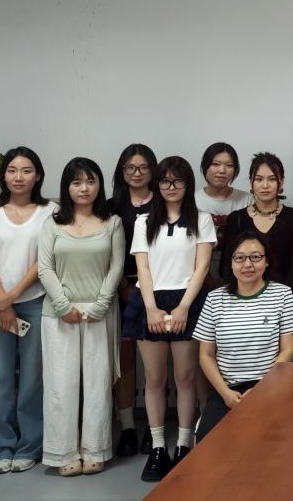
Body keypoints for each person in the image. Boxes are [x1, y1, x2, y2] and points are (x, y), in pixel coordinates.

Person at [123, 156, 215, 482]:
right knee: (154, 378)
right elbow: (143, 267)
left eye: (178, 181)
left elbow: (202, 267)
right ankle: (159, 447)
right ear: (157, 184)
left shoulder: (202, 219)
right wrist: (150, 308)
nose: (171, 187)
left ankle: (184, 444)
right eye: (165, 181)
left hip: (188, 300)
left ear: (188, 184)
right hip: (150, 300)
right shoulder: (143, 221)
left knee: (186, 377)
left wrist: (184, 307)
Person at [37, 157, 124, 477]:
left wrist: (101, 304)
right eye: (76, 182)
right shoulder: (52, 222)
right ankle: (63, 453)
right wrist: (63, 306)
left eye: (90, 181)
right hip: (59, 315)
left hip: (100, 313)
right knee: (60, 385)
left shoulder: (112, 222)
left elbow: (116, 266)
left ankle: (95, 450)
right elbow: (44, 268)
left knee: (98, 384)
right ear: (67, 187)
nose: (84, 188)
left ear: (99, 184)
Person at [0, 146, 56, 475]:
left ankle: (29, 446)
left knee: (34, 378)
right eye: (11, 170)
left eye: (26, 170)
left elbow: (44, 260)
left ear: (37, 175)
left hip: (35, 301)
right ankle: (2, 448)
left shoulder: (50, 211)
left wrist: (13, 296)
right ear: (3, 176)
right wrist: (2, 301)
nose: (18, 177)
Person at [193, 233, 293, 441]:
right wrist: (226, 394)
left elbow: (288, 349)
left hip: (271, 387)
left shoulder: (283, 294)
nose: (248, 264)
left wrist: (262, 389)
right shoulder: (214, 299)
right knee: (208, 440)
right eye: (240, 258)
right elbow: (206, 355)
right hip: (228, 390)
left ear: (266, 261)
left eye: (256, 257)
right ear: (230, 262)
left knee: (275, 440)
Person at [107, 142, 157, 457]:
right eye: (130, 168)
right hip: (121, 290)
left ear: (153, 170)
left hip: (158, 292)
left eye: (143, 167)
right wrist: (124, 285)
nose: (137, 173)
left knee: (155, 363)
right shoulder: (110, 207)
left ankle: (154, 428)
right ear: (122, 171)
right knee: (124, 360)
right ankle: (127, 427)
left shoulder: (165, 203)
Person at [219, 153, 293, 296]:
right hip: (242, 300)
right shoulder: (236, 219)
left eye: (272, 179)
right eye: (259, 179)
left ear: (281, 181)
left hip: (282, 300)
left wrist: (284, 298)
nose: (265, 185)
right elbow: (226, 267)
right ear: (251, 182)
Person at [194, 142, 252, 235]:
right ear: (205, 166)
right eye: (215, 164)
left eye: (229, 165)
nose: (222, 170)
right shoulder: (193, 200)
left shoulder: (247, 200)